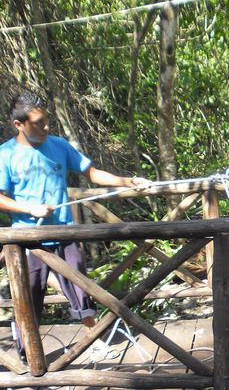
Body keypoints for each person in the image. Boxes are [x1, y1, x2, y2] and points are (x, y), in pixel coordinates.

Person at [0, 90, 149, 361]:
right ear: (18, 125)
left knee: (81, 288)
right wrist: (28, 208)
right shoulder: (6, 155)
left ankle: (93, 341)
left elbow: (92, 173)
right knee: (28, 297)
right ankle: (27, 355)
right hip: (26, 239)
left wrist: (129, 181)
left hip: (65, 231)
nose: (46, 127)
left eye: (47, 120)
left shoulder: (59, 145)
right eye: (38, 122)